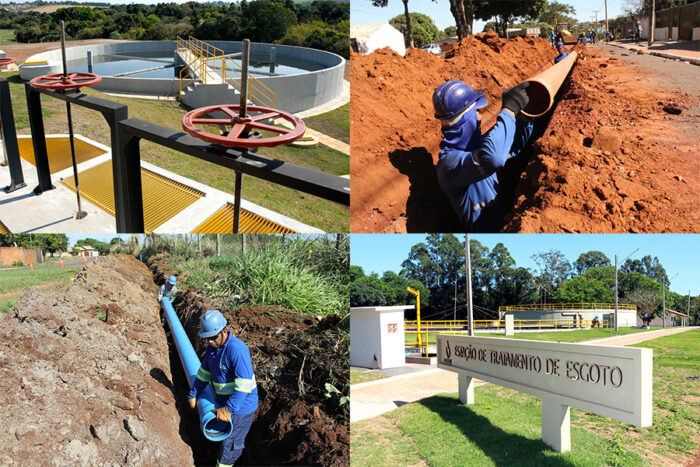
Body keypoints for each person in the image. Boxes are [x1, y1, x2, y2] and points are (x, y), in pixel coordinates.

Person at [432, 80, 534, 232]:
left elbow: (510, 146)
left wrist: (526, 117)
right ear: (466, 118)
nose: (480, 117)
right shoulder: (449, 165)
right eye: (477, 112)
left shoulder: (474, 147)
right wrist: (508, 111)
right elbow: (494, 158)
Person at [188, 310, 258, 467]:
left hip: (241, 407)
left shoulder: (237, 350)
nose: (210, 341)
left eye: (213, 337)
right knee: (221, 438)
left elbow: (244, 385)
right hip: (222, 402)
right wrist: (193, 393)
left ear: (224, 331)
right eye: (207, 338)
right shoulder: (212, 350)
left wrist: (229, 410)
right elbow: (203, 374)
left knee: (230, 446)